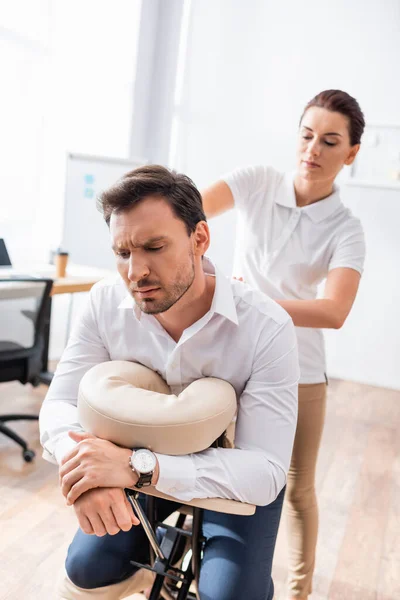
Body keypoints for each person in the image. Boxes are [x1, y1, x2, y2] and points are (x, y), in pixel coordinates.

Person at [39, 164, 299, 600]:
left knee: (231, 595)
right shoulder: (105, 303)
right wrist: (84, 469)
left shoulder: (267, 327)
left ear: (200, 238)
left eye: (154, 247)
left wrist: (139, 467)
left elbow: (265, 470)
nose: (135, 271)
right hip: (125, 466)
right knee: (85, 568)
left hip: (228, 472)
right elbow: (58, 406)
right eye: (122, 253)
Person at [201, 89, 366, 600]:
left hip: (301, 371)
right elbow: (189, 214)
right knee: (207, 467)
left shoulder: (347, 229)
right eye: (307, 135)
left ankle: (299, 591)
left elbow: (334, 311)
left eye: (330, 141)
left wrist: (249, 300)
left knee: (297, 488)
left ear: (351, 153)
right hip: (228, 359)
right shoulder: (256, 183)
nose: (313, 149)